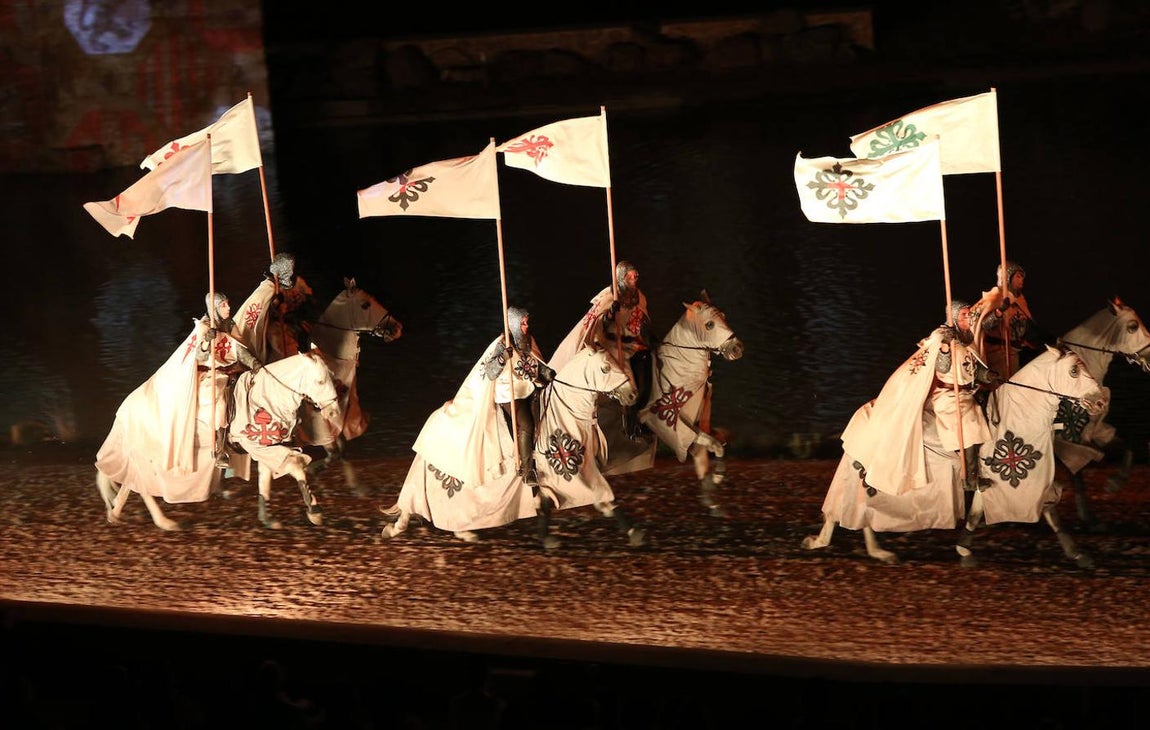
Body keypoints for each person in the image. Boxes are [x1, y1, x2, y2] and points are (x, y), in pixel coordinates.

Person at [382, 305, 560, 547]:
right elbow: (488, 371)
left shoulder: (527, 342)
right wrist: (502, 357)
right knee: (526, 424)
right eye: (524, 323)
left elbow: (534, 365)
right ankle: (527, 469)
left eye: (528, 322)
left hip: (526, 392)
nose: (528, 326)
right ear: (514, 324)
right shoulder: (502, 343)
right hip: (508, 395)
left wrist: (546, 373)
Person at [95, 292, 262, 507]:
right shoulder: (204, 327)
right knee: (219, 404)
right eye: (225, 305)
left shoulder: (230, 326)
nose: (229, 308)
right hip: (206, 376)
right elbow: (197, 355)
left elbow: (239, 351)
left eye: (229, 304)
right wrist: (205, 344)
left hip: (228, 373)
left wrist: (256, 365)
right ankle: (220, 449)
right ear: (215, 308)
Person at [841, 299, 999, 497]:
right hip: (948, 395)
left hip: (968, 392)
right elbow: (942, 368)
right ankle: (969, 479)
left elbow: (971, 368)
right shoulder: (943, 337)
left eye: (969, 314)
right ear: (954, 318)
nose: (968, 318)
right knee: (969, 425)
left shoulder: (966, 339)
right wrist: (944, 348)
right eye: (963, 315)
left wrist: (987, 376)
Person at [549, 259, 654, 438]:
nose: (634, 278)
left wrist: (645, 332)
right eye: (629, 276)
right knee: (619, 375)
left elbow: (639, 323)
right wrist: (611, 313)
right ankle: (625, 423)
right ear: (621, 278)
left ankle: (639, 416)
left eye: (634, 276)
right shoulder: (609, 297)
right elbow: (597, 323)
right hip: (608, 343)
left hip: (628, 343)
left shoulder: (638, 297)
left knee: (647, 361)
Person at [970, 260, 1051, 382]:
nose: (1021, 280)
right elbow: (985, 325)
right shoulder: (995, 298)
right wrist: (999, 311)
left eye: (1022, 277)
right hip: (997, 354)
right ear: (1008, 277)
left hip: (1014, 353)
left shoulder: (1020, 301)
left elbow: (1027, 325)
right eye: (1018, 276)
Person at [234, 252, 322, 364]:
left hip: (291, 319)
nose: (291, 272)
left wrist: (302, 299)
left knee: (306, 330)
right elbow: (260, 312)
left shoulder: (296, 282)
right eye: (288, 269)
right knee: (280, 342)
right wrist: (276, 304)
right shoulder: (269, 288)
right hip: (272, 325)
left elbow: (308, 296)